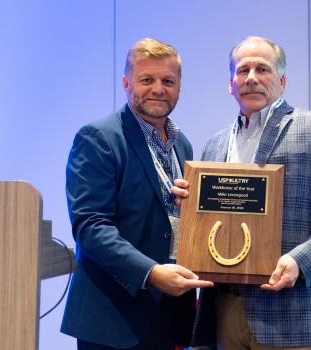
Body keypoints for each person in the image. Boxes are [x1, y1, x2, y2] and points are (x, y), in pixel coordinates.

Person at [172, 36, 311, 349]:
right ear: (230, 83)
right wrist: (186, 203)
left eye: (262, 69)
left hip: (291, 312)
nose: (251, 78)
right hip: (224, 311)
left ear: (282, 80)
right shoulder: (214, 145)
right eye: (243, 70)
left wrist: (299, 262)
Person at [61, 38, 213, 350]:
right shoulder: (99, 138)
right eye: (147, 79)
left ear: (179, 86)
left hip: (171, 316)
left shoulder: (181, 144)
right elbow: (91, 226)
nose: (158, 88)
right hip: (113, 319)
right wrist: (151, 273)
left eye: (168, 81)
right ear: (127, 83)